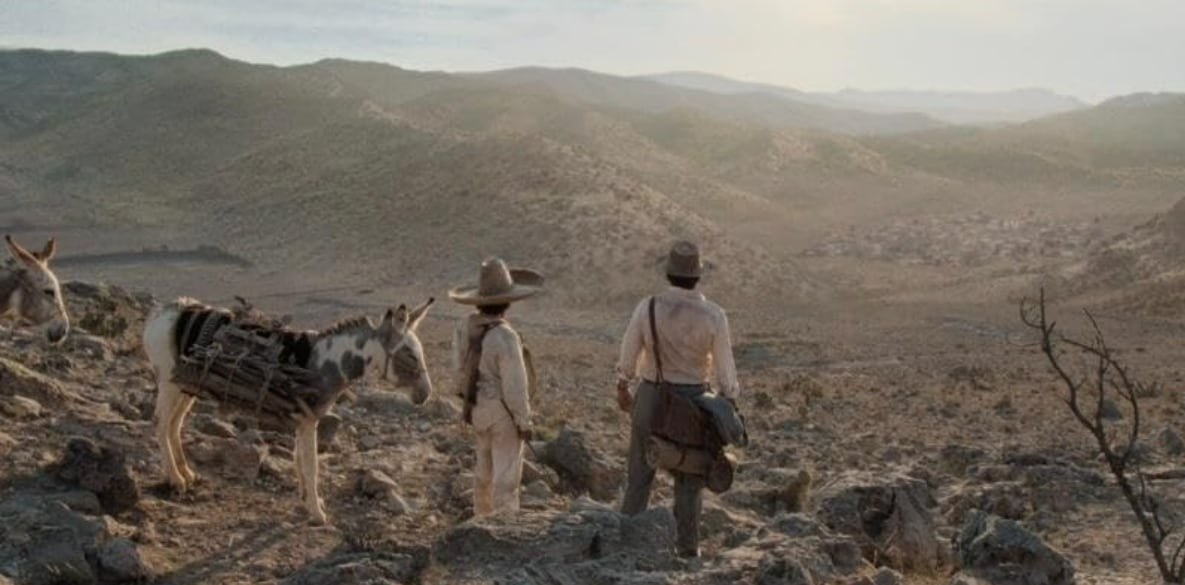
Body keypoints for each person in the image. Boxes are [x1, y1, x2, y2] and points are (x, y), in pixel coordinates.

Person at [615, 240, 741, 558]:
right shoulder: (714, 315)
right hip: (694, 401)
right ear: (698, 276)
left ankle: (627, 546)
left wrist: (623, 384)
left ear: (669, 274)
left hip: (652, 395)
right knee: (690, 478)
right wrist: (728, 402)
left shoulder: (648, 307)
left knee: (640, 474)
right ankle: (687, 550)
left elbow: (628, 356)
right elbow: (726, 374)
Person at [450, 257, 542, 516]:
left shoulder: (464, 327)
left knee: (483, 471)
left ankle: (481, 519)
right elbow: (515, 385)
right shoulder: (505, 336)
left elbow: (457, 370)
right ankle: (504, 528)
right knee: (507, 477)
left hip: (477, 408)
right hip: (503, 413)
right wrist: (524, 421)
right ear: (508, 301)